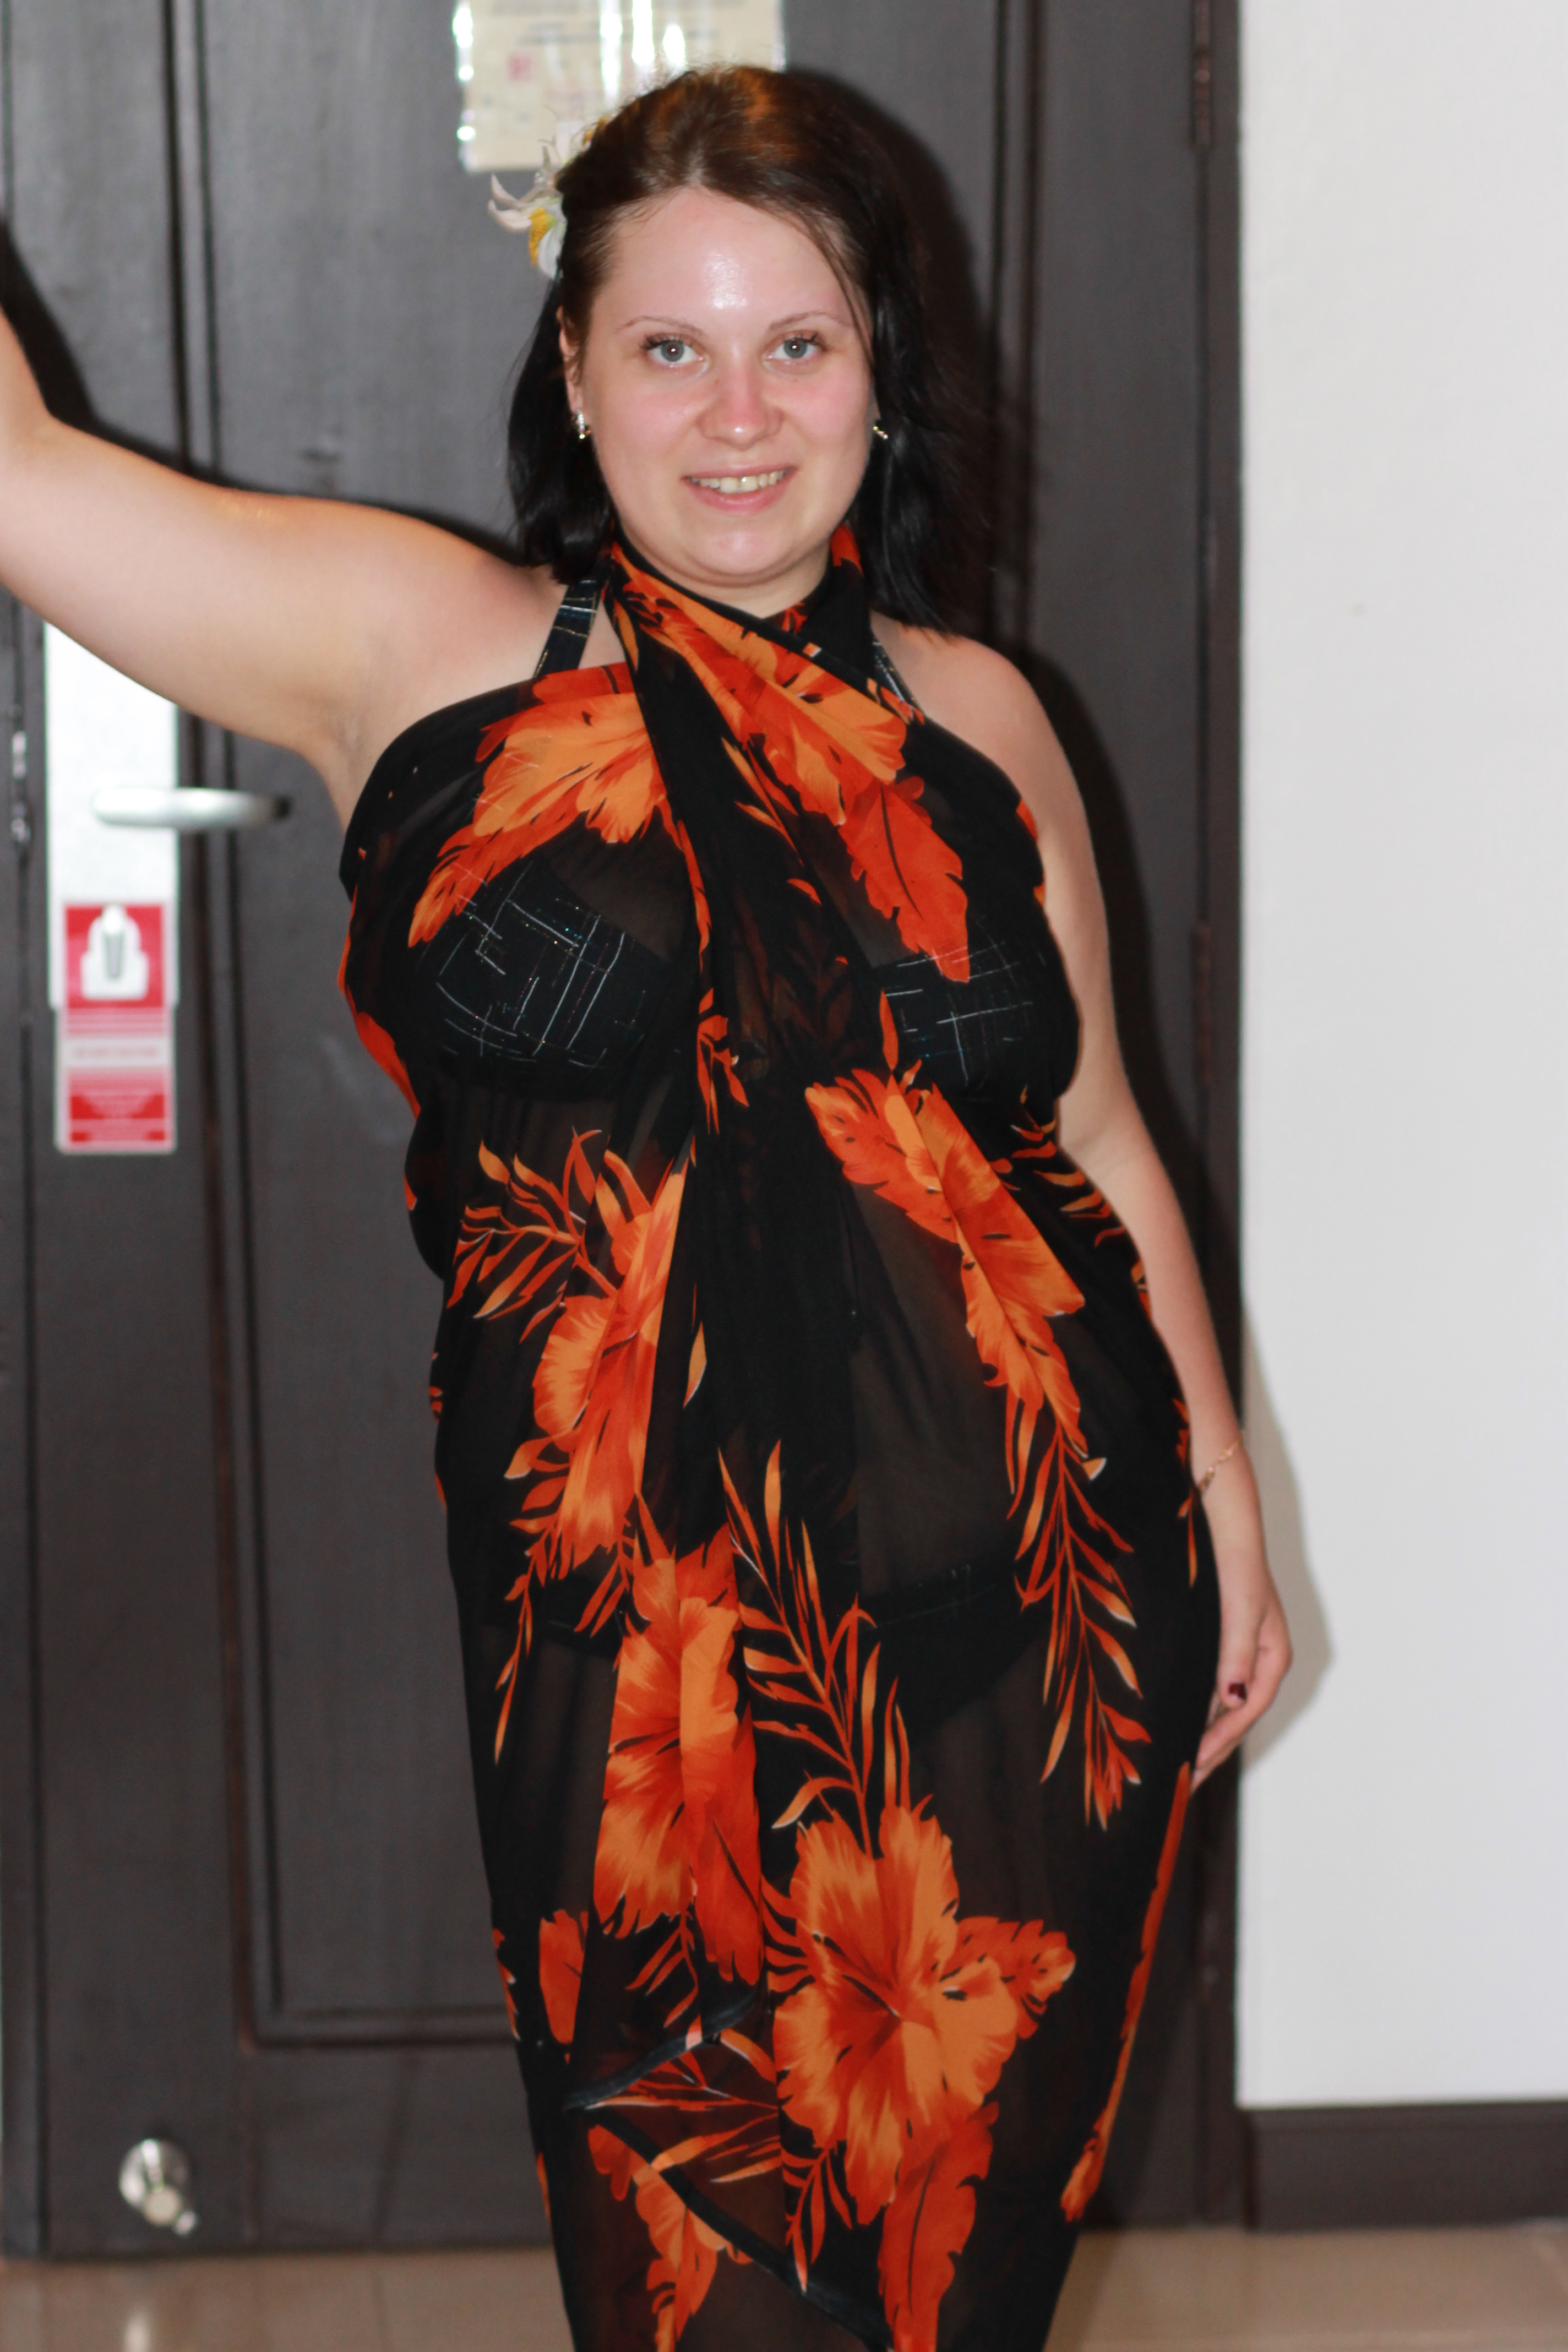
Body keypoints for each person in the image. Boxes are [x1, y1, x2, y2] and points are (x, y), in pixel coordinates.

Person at [0, 64, 1289, 2352]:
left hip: (1038, 1618)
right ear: (575, 376)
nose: (739, 415)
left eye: (799, 344)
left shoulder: (984, 722)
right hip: (639, 1672)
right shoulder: (422, 647)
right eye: (671, 348)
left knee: (956, 2283)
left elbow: (1090, 1136)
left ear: (881, 375)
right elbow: (19, 475)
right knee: (700, 2274)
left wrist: (1223, 1489)